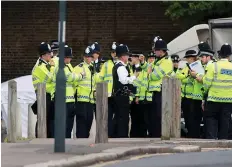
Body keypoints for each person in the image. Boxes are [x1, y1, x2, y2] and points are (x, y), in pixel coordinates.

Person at [51, 45, 83, 138]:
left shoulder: (66, 67)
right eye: (69, 57)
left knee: (68, 126)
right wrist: (80, 76)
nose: (70, 60)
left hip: (69, 101)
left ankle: (67, 141)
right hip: (63, 101)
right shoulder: (61, 67)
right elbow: (69, 77)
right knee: (64, 126)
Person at [203, 43, 232, 139]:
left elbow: (206, 83)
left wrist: (205, 95)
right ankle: (223, 143)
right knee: (225, 122)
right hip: (228, 101)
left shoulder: (213, 66)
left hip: (213, 100)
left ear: (220, 54)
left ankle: (211, 142)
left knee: (211, 120)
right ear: (229, 55)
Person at [146, 38, 173, 137]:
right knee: (153, 116)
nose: (154, 52)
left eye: (156, 50)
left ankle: (158, 135)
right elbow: (147, 68)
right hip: (155, 91)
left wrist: (150, 73)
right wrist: (150, 70)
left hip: (161, 91)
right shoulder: (158, 61)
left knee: (159, 115)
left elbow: (154, 75)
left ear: (161, 51)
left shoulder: (166, 62)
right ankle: (154, 134)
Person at [112, 44, 139, 138]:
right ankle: (121, 136)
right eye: (127, 55)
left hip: (120, 96)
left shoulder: (120, 66)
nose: (128, 57)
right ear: (123, 56)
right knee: (122, 118)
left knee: (121, 117)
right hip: (121, 97)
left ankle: (119, 135)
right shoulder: (121, 67)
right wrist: (134, 77)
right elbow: (123, 80)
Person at [32, 42, 55, 138]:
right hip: (43, 94)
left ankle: (48, 138)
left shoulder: (45, 65)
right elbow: (52, 77)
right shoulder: (40, 66)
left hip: (48, 94)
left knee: (49, 118)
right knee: (43, 118)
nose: (51, 55)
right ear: (43, 55)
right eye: (49, 54)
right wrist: (53, 67)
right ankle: (40, 138)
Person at [73, 46, 95, 138]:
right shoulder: (78, 68)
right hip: (81, 100)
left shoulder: (93, 68)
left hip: (90, 100)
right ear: (83, 57)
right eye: (86, 56)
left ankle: (86, 139)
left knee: (89, 121)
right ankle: (81, 141)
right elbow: (73, 82)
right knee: (82, 122)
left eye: (89, 56)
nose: (88, 58)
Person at [98, 42, 118, 137]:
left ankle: (115, 134)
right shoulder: (106, 64)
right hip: (108, 95)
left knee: (118, 116)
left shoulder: (123, 64)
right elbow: (100, 78)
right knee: (108, 116)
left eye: (116, 52)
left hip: (118, 94)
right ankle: (109, 135)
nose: (114, 54)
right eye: (113, 52)